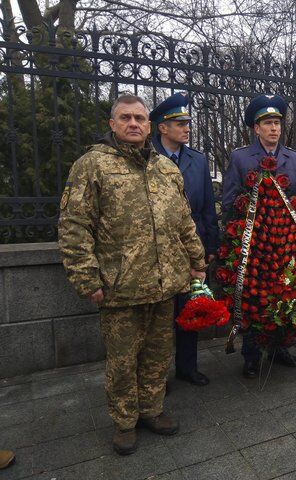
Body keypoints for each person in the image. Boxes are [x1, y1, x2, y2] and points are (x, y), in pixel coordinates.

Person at [58, 94, 207, 455]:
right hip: (120, 287)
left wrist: (197, 260)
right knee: (123, 360)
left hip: (164, 283)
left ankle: (152, 410)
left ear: (149, 126)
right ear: (113, 124)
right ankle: (124, 422)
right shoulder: (92, 165)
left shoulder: (166, 169)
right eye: (125, 118)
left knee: (158, 354)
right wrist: (86, 278)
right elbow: (75, 225)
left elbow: (184, 221)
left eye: (139, 118)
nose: (133, 124)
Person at [221, 94, 296, 379]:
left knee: (286, 291)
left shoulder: (294, 159)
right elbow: (230, 198)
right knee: (254, 296)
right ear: (256, 129)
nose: (274, 129)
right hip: (254, 243)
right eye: (268, 123)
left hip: (287, 242)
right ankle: (251, 355)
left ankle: (280, 347)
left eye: (277, 123)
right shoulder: (240, 157)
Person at [150, 92, 219, 387]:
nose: (186, 127)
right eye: (179, 123)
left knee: (191, 307)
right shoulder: (148, 157)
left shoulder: (197, 160)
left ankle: (187, 367)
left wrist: (211, 245)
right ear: (162, 128)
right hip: (159, 251)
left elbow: (206, 208)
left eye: (187, 122)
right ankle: (157, 377)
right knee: (160, 316)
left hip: (193, 248)